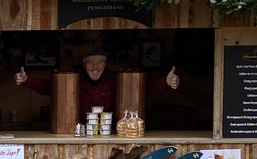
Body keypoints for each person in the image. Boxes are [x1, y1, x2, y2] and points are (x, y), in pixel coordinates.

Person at [15, 50, 179, 121]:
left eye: (99, 62)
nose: (95, 67)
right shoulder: (73, 79)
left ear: (105, 64)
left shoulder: (116, 79)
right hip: (78, 132)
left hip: (110, 131)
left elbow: (142, 90)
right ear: (84, 65)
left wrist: (165, 82)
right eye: (90, 63)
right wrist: (26, 80)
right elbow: (48, 88)